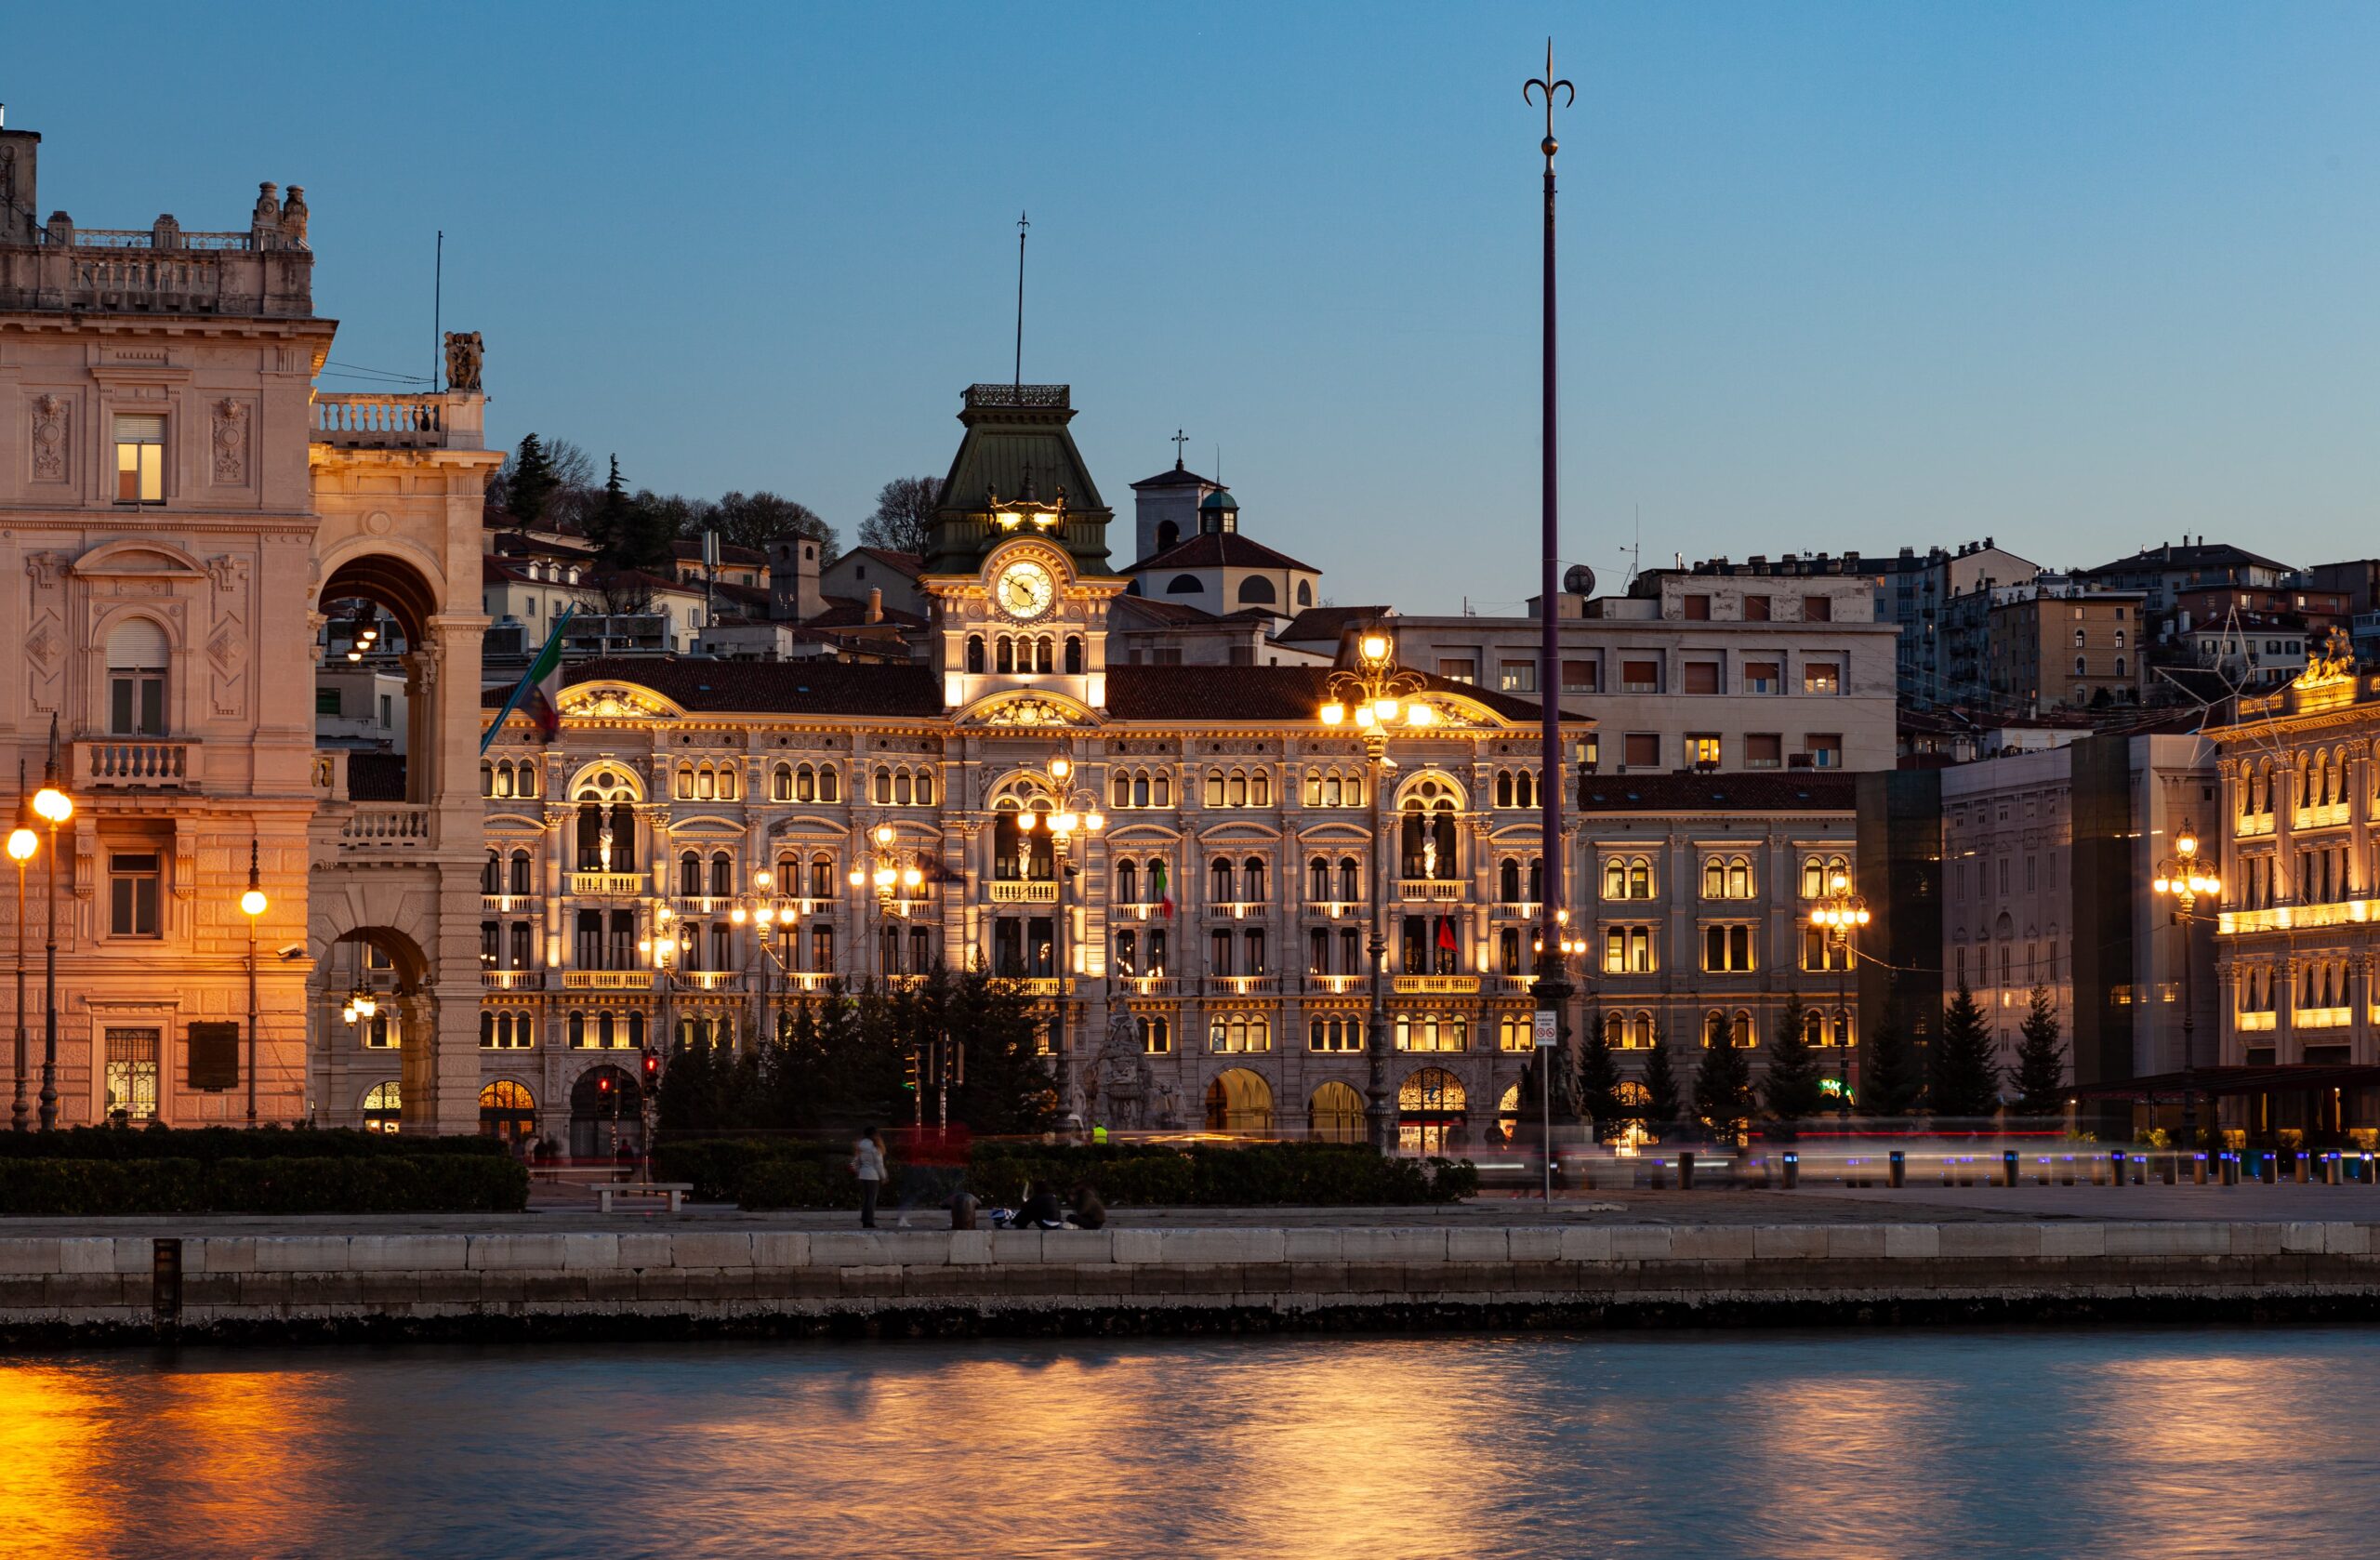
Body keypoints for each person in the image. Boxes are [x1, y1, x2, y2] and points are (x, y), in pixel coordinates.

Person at [852, 1127, 886, 1229]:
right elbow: (879, 1164)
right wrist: (883, 1176)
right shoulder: (875, 1148)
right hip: (873, 1176)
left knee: (866, 1199)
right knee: (871, 1199)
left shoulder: (860, 1146)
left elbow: (856, 1161)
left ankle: (865, 1220)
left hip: (863, 1174)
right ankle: (870, 1221)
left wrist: (858, 1171)